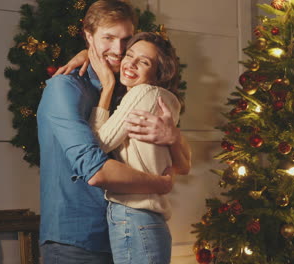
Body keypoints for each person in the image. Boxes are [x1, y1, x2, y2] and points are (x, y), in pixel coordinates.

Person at [36, 1, 190, 263]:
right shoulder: (64, 89)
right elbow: (96, 170)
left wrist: (174, 137)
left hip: (121, 233)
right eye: (108, 38)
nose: (119, 50)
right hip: (76, 241)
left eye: (126, 40)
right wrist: (160, 184)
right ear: (88, 35)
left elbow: (181, 161)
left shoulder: (130, 88)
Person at [86, 31, 184, 264]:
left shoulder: (143, 93)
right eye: (130, 55)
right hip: (147, 219)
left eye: (144, 61)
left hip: (134, 214)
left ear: (157, 72)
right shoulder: (161, 99)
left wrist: (107, 88)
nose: (131, 64)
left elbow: (98, 145)